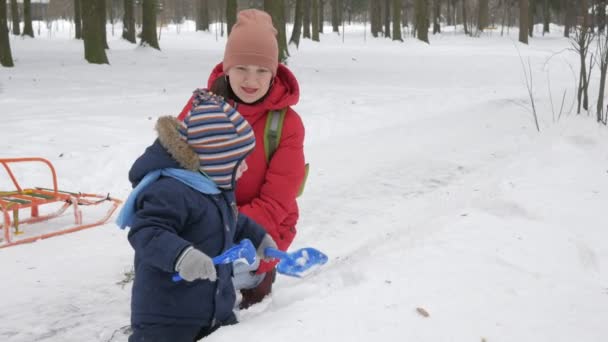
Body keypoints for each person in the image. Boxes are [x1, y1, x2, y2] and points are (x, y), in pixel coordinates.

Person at [117, 90, 277, 342]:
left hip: (216, 311)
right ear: (216, 160)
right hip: (167, 317)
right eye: (239, 162)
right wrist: (181, 255)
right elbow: (147, 232)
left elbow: (233, 222)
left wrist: (259, 239)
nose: (245, 168)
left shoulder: (215, 189)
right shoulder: (170, 191)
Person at [177, 9, 306, 309]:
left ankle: (256, 280)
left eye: (262, 70)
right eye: (241, 68)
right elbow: (175, 171)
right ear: (226, 68)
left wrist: (219, 234)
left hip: (260, 233)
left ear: (274, 72)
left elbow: (275, 203)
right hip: (206, 226)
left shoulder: (286, 125)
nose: (251, 80)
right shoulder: (202, 108)